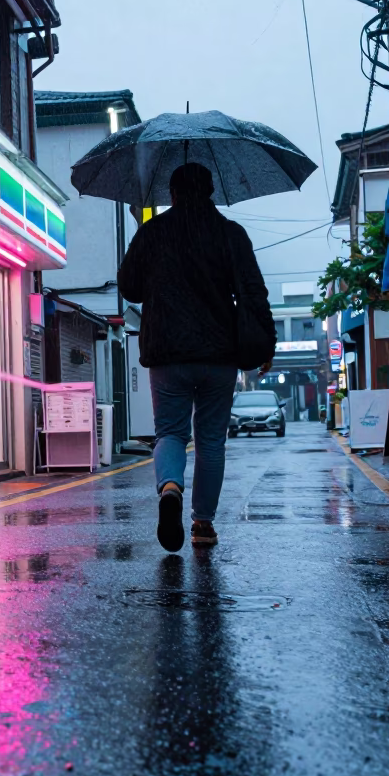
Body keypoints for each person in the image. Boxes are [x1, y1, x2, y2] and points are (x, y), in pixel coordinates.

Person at [118, 164, 275, 552]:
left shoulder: (152, 231)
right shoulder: (230, 233)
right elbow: (254, 292)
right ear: (210, 191)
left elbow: (129, 288)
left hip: (166, 351)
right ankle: (202, 523)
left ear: (172, 194)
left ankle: (170, 488)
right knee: (211, 441)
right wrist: (266, 343)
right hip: (219, 353)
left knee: (170, 433)